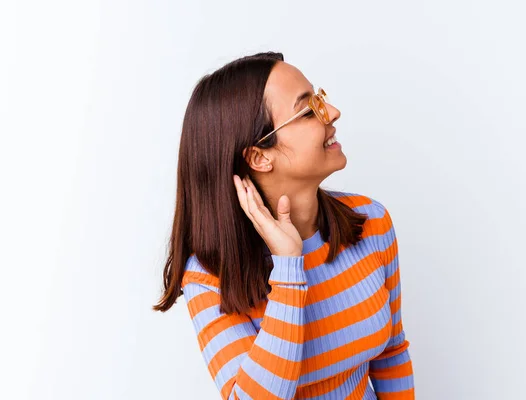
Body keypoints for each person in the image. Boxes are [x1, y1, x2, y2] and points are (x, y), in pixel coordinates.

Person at [153, 51, 415, 399]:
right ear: (259, 157)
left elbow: (391, 353)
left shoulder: (372, 223)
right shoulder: (209, 275)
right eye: (308, 111)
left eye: (320, 99)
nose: (332, 112)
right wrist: (289, 266)